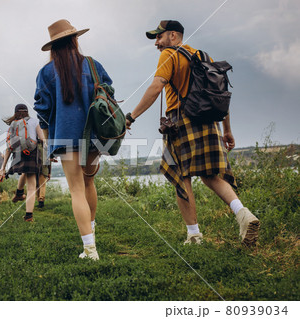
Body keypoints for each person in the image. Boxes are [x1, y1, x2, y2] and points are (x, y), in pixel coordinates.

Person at [125, 20, 260, 246]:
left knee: (181, 176)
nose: (157, 43)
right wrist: (227, 130)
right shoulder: (203, 56)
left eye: (160, 37)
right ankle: (243, 214)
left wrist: (131, 116)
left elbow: (156, 86)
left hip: (181, 121)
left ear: (174, 36)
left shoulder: (170, 55)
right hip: (209, 121)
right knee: (210, 175)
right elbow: (220, 95)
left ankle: (194, 235)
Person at [34, 19, 114, 260]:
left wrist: (49, 139)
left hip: (66, 135)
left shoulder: (46, 72)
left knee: (76, 190)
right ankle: (91, 230)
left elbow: (42, 109)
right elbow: (108, 92)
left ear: (54, 46)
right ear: (74, 39)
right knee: (89, 184)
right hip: (94, 135)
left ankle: (90, 249)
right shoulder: (93, 64)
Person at [0, 103, 45, 222]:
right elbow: (43, 140)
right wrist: (49, 155)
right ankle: (29, 215)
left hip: (19, 154)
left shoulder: (13, 125)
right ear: (27, 111)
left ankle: (19, 193)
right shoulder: (34, 121)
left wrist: (3, 167)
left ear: (16, 113)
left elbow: (9, 148)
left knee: (24, 174)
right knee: (31, 187)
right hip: (32, 153)